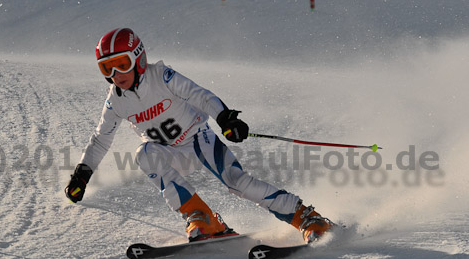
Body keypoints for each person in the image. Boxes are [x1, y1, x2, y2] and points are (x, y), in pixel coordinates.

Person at [65, 28, 333, 243]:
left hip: (198, 139)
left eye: (121, 64)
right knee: (144, 153)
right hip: (170, 153)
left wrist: (225, 118)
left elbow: (198, 95)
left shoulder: (162, 76)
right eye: (107, 69)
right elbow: (101, 138)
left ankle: (307, 217)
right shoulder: (116, 100)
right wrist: (82, 174)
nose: (116, 75)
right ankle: (202, 216)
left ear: (139, 59)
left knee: (236, 182)